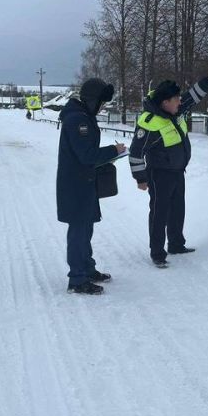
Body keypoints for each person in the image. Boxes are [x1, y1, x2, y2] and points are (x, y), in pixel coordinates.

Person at [128, 69, 208, 267]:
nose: (180, 102)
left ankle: (176, 244)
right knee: (159, 212)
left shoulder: (176, 109)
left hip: (177, 171)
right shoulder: (149, 123)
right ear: (165, 102)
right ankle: (157, 252)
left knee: (177, 210)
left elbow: (193, 95)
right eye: (176, 100)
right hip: (159, 174)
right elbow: (136, 152)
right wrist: (140, 178)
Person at [57, 79, 126, 294]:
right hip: (76, 185)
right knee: (79, 231)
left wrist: (109, 156)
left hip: (84, 183)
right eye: (101, 103)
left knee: (86, 228)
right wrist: (113, 151)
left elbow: (86, 155)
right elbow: (87, 155)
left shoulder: (83, 116)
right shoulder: (78, 120)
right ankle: (77, 279)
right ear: (92, 100)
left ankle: (87, 268)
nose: (102, 107)